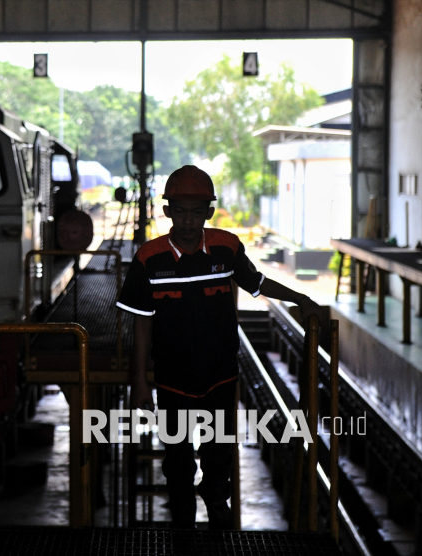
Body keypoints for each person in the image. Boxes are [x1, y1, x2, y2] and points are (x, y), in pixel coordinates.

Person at [116, 165, 321, 529]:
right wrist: (140, 381)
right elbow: (142, 320)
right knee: (177, 461)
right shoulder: (149, 258)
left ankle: (217, 509)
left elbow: (256, 283)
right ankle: (183, 525)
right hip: (173, 378)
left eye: (197, 212)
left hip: (220, 377)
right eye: (180, 211)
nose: (189, 221)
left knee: (218, 456)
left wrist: (300, 297)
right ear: (167, 212)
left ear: (209, 212)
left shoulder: (226, 248)